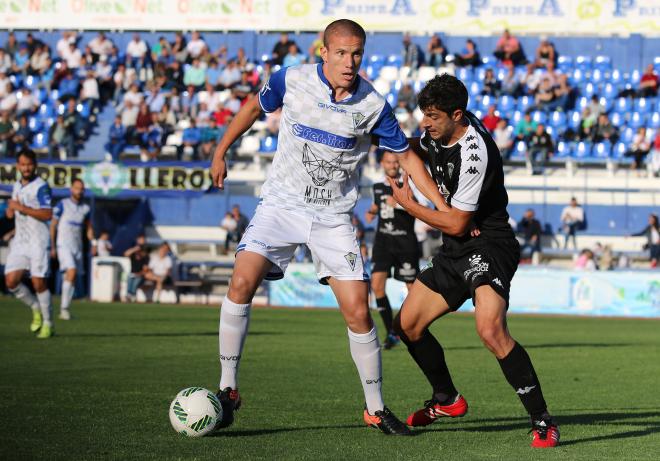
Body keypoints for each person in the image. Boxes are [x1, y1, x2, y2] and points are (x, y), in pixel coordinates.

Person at [210, 19, 446, 436]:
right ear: (324, 52)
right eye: (341, 53)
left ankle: (375, 409)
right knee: (241, 281)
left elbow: (407, 157)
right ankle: (228, 389)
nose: (350, 62)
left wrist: (441, 206)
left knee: (358, 310)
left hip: (332, 218)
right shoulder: (291, 79)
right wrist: (221, 149)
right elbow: (251, 107)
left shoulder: (373, 103)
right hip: (281, 206)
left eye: (357, 54)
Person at [386, 74, 559, 447]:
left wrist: (409, 204)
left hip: (490, 245)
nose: (425, 123)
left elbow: (458, 222)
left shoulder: (474, 152)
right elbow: (409, 146)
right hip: (455, 249)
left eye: (432, 116)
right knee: (408, 325)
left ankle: (542, 419)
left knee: (490, 330)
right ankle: (446, 399)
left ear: (457, 114)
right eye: (423, 115)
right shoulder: (441, 131)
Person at [364, 152, 420, 350]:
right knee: (377, 286)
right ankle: (391, 332)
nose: (392, 165)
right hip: (383, 243)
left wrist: (403, 202)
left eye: (396, 162)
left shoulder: (408, 185)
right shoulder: (377, 187)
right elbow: (376, 205)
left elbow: (419, 208)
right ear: (382, 163)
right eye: (389, 161)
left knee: (413, 291)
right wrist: (371, 212)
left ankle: (408, 327)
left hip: (405, 244)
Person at [4, 150, 55, 339]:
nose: (26, 168)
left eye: (29, 164)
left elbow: (47, 214)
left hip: (38, 241)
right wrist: (11, 211)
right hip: (21, 242)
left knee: (38, 282)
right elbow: (13, 211)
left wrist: (22, 208)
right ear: (18, 166)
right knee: (11, 281)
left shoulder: (42, 187)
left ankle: (48, 323)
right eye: (22, 164)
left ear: (35, 164)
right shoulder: (16, 185)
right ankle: (35, 308)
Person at [49, 179, 93, 320]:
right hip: (63, 245)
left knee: (71, 278)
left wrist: (94, 242)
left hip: (77, 247)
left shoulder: (85, 208)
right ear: (71, 189)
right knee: (72, 272)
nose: (79, 191)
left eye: (81, 188)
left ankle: (65, 309)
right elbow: (53, 226)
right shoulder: (62, 204)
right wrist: (53, 246)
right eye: (76, 188)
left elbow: (89, 228)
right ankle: (64, 309)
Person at [124, 235, 149, 302]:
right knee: (130, 277)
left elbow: (145, 269)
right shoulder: (133, 253)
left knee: (135, 281)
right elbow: (126, 254)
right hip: (132, 274)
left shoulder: (145, 255)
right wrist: (135, 249)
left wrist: (139, 274)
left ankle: (132, 295)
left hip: (140, 275)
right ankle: (130, 295)